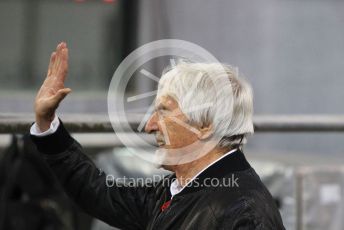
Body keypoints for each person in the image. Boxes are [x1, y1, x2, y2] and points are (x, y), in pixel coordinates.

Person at [30, 42, 285, 229]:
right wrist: (47, 124)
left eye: (163, 112)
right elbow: (97, 192)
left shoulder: (244, 213)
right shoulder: (177, 189)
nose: (149, 126)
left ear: (205, 124)